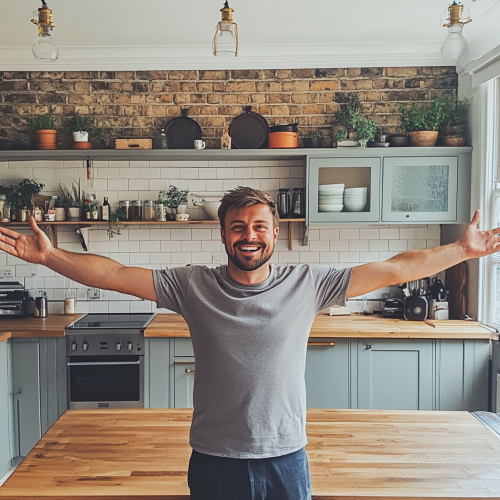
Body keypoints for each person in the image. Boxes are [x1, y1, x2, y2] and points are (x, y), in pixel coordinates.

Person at [0, 186, 499, 500]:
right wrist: (51, 258)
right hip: (215, 457)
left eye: (259, 226)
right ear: (222, 234)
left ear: (275, 233)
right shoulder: (191, 284)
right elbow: (114, 273)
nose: (249, 235)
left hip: (286, 456)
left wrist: (461, 250)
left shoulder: (309, 283)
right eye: (237, 227)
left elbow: (395, 267)